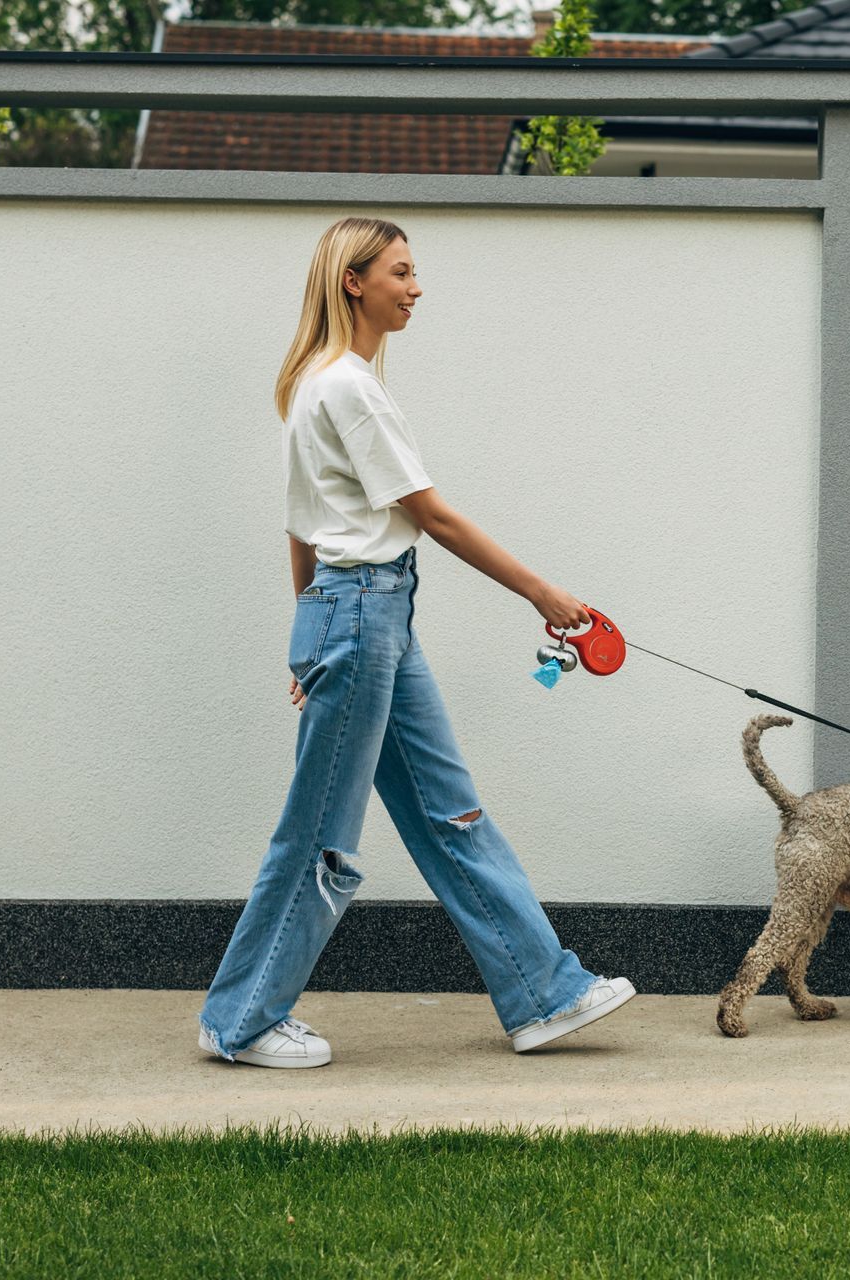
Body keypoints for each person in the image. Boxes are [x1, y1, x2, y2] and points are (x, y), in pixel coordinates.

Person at [197, 215, 635, 1067]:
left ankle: (544, 992)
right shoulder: (347, 389)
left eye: (415, 271)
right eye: (401, 271)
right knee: (319, 830)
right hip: (362, 616)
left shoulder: (321, 386)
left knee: (450, 813)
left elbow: (302, 531)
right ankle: (240, 1019)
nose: (416, 287)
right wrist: (544, 593)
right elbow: (429, 517)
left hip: (363, 618)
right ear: (353, 281)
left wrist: (306, 636)